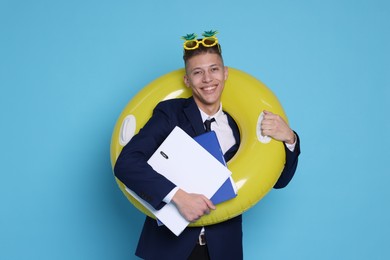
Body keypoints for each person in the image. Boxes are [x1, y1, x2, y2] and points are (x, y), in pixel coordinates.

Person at [114, 30, 300, 260]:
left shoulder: (244, 128)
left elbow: (278, 181)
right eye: (198, 72)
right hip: (171, 250)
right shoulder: (170, 114)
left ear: (225, 73)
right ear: (187, 80)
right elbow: (126, 164)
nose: (208, 79)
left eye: (214, 69)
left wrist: (290, 139)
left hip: (222, 251)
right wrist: (178, 197)